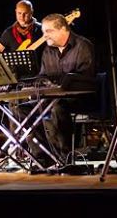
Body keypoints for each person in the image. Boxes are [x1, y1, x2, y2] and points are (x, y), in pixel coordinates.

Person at [18, 13, 95, 167]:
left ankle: (63, 158)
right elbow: (42, 76)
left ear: (62, 29)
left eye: (49, 31)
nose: (44, 36)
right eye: (43, 32)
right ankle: (42, 156)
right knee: (22, 107)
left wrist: (63, 84)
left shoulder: (83, 45)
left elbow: (86, 77)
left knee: (57, 106)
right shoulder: (48, 51)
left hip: (81, 98)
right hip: (53, 98)